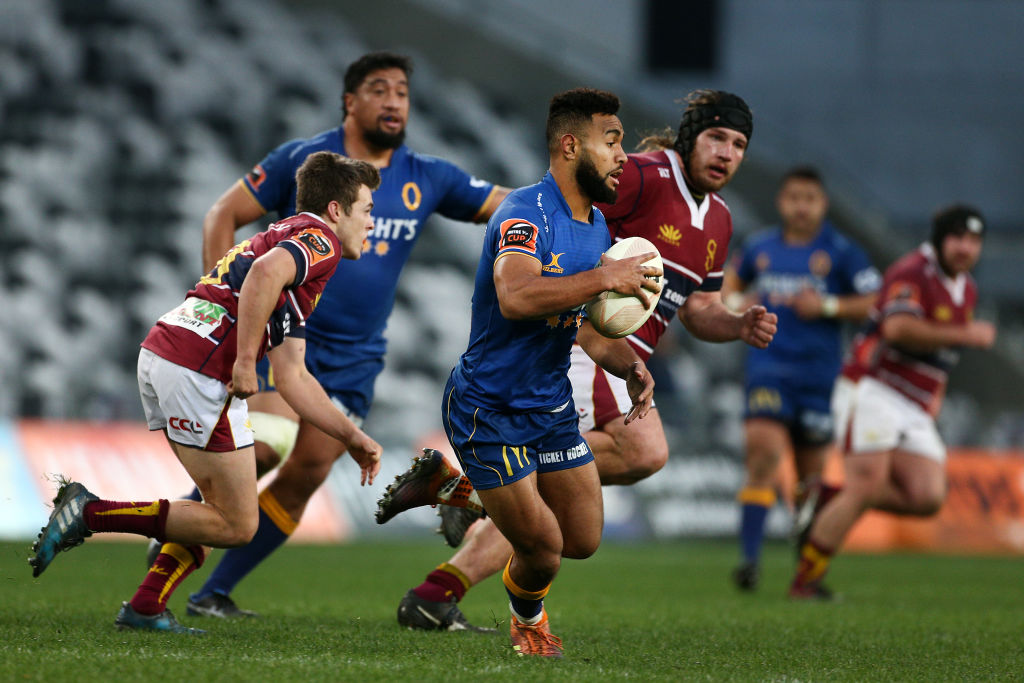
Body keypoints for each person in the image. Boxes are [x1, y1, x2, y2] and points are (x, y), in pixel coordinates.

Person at [375, 90, 777, 631]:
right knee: (643, 450)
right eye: (717, 137)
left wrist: (736, 323)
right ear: (689, 138)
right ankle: (483, 497)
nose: (727, 152)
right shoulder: (645, 176)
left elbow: (700, 308)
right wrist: (596, 280)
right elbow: (568, 211)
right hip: (579, 341)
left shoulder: (721, 220)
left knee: (565, 527)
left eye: (739, 144)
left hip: (615, 354)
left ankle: (440, 580)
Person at [171, 51, 510, 623]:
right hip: (286, 341)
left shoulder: (429, 176)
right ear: (350, 102)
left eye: (402, 90)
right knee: (263, 453)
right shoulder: (305, 160)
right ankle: (168, 534)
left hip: (356, 358)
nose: (394, 100)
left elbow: (512, 204)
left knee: (305, 474)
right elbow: (220, 216)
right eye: (379, 89)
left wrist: (574, 203)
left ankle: (211, 594)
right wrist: (231, 316)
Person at [29, 152, 384, 634]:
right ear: (337, 210)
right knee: (236, 523)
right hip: (197, 369)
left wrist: (351, 437)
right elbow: (262, 276)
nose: (373, 224)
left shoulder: (286, 241)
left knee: (218, 506)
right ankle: (89, 513)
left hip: (165, 352)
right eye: (367, 210)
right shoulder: (320, 241)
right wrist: (242, 361)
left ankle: (146, 605)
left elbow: (294, 376)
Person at [418, 86, 669, 657]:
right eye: (611, 141)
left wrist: (628, 364)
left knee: (583, 539)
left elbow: (580, 324)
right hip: (490, 407)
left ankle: (455, 488)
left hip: (550, 406)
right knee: (545, 548)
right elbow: (515, 295)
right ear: (569, 144)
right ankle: (527, 621)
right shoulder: (525, 213)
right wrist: (608, 278)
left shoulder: (598, 227)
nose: (622, 155)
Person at [789, 204, 995, 599]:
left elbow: (941, 355)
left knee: (927, 496)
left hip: (914, 403)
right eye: (957, 238)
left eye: (973, 240)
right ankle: (806, 581)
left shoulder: (966, 287)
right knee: (866, 485)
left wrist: (936, 393)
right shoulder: (913, 271)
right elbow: (898, 328)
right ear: (940, 239)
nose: (965, 248)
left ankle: (826, 497)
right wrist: (966, 335)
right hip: (874, 387)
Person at [721, 166, 881, 591]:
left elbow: (875, 302)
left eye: (809, 198)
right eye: (794, 197)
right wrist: (740, 301)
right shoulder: (759, 248)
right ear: (781, 201)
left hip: (819, 377)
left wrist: (827, 307)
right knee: (764, 459)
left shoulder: (842, 251)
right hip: (768, 370)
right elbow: (726, 292)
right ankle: (749, 563)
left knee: (810, 482)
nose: (801, 206)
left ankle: (805, 573)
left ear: (822, 203)